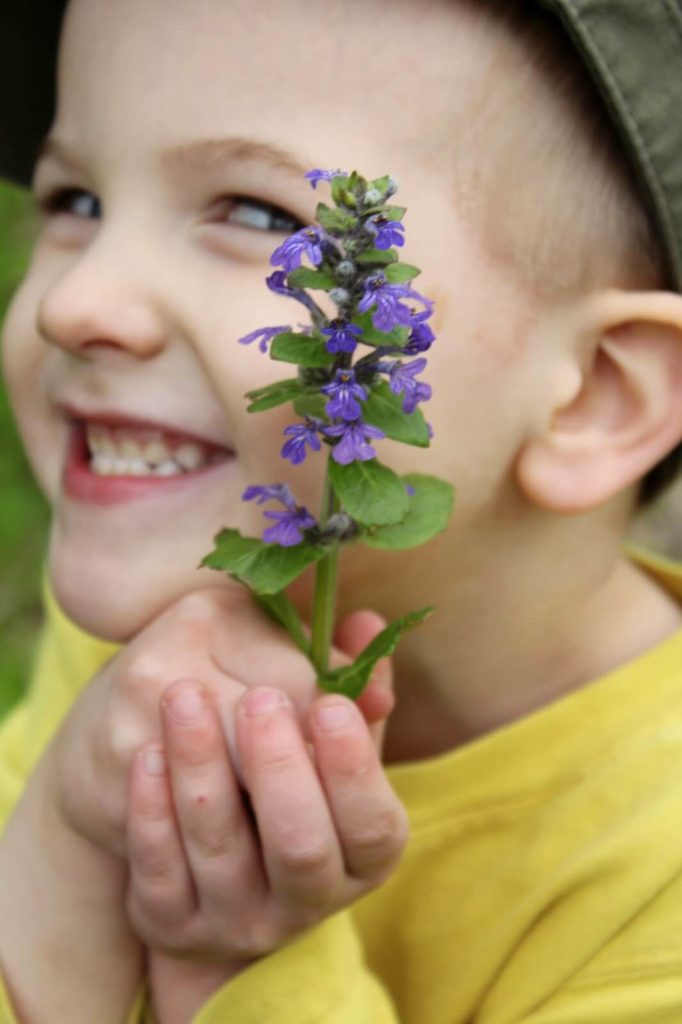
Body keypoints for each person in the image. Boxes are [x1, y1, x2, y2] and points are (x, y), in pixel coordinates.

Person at [1, 0, 681, 1020]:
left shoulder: (655, 878)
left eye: (262, 215)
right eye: (76, 199)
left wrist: (235, 965)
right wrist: (55, 859)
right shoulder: (168, 613)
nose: (73, 303)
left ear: (592, 397)